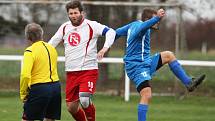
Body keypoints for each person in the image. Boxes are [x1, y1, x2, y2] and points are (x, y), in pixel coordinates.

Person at [115, 8, 205, 121]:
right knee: (146, 94)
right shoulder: (141, 27)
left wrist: (105, 40)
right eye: (155, 20)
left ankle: (188, 83)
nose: (158, 22)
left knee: (169, 55)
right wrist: (157, 17)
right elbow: (141, 27)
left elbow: (116, 32)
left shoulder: (133, 25)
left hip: (146, 63)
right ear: (148, 20)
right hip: (136, 67)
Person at [48, 0, 116, 121]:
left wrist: (104, 48)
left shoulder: (92, 25)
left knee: (84, 99)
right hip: (71, 72)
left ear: (82, 13)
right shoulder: (64, 27)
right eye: (71, 13)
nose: (73, 16)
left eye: (75, 13)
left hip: (88, 70)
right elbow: (51, 44)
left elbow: (111, 32)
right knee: (71, 108)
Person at [20, 23, 61, 121]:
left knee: (27, 118)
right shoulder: (52, 49)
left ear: (28, 37)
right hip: (56, 87)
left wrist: (23, 93)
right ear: (41, 34)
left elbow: (25, 75)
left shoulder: (30, 51)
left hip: (40, 88)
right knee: (50, 118)